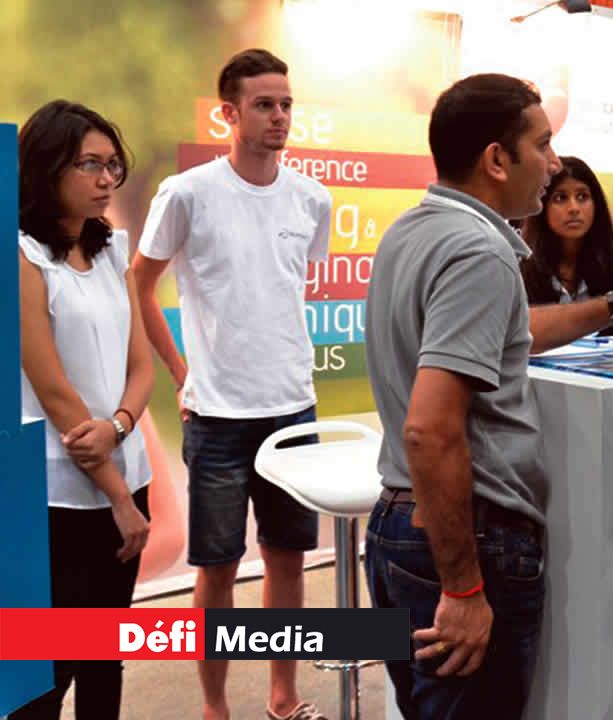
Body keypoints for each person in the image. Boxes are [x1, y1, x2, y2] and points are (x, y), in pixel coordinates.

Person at [363, 73, 613, 720]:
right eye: (543, 144)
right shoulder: (479, 252)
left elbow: (511, 334)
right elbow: (430, 428)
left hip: (403, 526)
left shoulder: (413, 232)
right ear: (495, 159)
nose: (556, 162)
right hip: (468, 536)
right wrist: (464, 587)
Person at [132, 49, 332, 720]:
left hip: (293, 409)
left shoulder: (312, 197)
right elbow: (141, 282)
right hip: (216, 414)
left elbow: (286, 287)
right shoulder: (187, 194)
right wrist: (178, 368)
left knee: (287, 562)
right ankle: (215, 707)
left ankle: (283, 697)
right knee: (215, 568)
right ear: (229, 113)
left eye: (286, 104)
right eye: (263, 104)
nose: (279, 116)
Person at [14, 100, 152, 720]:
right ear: (46, 170)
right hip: (58, 493)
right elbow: (53, 388)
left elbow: (141, 365)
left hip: (130, 470)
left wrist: (119, 425)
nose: (105, 180)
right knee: (47, 670)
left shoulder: (111, 250)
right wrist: (118, 499)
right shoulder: (21, 257)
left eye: (112, 165)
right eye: (88, 165)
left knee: (105, 653)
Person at [520, 155, 613, 316]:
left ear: (596, 204)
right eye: (561, 198)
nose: (574, 208)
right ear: (542, 206)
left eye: (582, 196)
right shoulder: (521, 267)